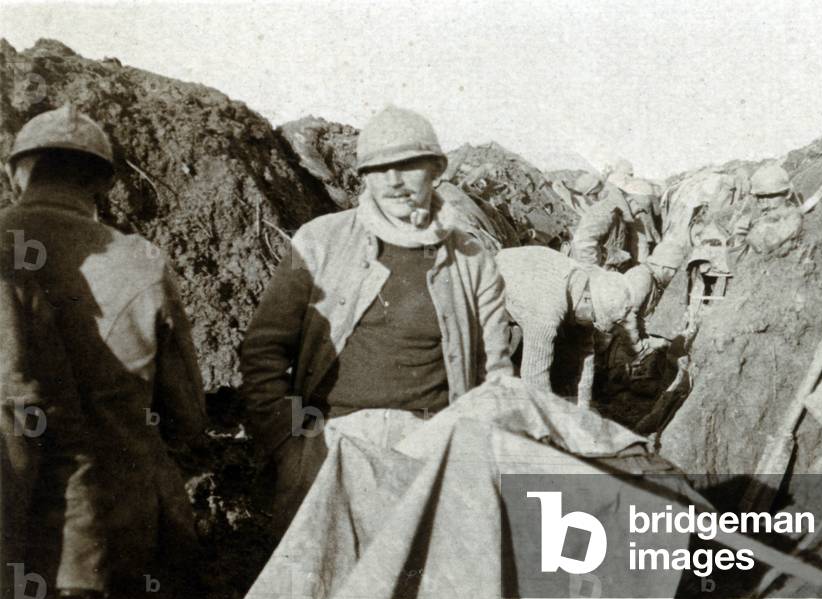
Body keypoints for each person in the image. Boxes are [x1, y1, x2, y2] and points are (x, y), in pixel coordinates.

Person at [239, 106, 513, 534]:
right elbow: (264, 350)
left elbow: (495, 372)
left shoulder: (472, 260)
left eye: (408, 165)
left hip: (429, 451)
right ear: (364, 176)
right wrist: (287, 445)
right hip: (330, 445)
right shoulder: (320, 241)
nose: (394, 181)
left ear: (436, 169)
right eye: (379, 168)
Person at [0, 104, 206, 599]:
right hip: (122, 516)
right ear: (103, 183)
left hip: (15, 512)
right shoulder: (140, 260)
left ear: (14, 173)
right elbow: (187, 415)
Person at [495, 245, 636, 407]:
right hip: (489, 291)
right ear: (587, 300)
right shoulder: (547, 310)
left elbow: (586, 353)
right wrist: (552, 418)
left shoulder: (585, 289)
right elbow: (534, 378)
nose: (591, 324)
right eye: (594, 318)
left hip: (524, 282)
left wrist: (583, 406)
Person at [567, 172, 638, 269]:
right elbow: (582, 245)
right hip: (607, 269)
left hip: (611, 266)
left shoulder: (604, 208)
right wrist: (595, 270)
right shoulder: (605, 207)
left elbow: (582, 245)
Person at [735, 163, 803, 253]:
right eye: (760, 197)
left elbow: (765, 244)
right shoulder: (764, 215)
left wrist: (750, 234)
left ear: (787, 193)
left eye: (771, 196)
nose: (765, 204)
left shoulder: (792, 217)